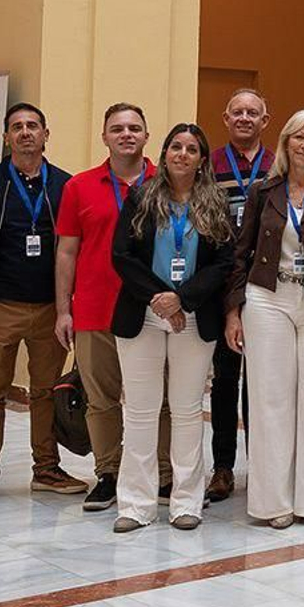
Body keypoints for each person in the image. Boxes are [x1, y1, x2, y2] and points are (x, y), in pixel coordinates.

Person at [224, 110, 304, 528]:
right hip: (267, 299)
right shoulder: (265, 189)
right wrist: (233, 310)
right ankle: (271, 504)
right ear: (284, 142)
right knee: (270, 401)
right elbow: (239, 253)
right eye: (298, 137)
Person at [0, 103, 86, 507]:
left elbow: (76, 248)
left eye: (33, 126)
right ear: (6, 137)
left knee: (45, 392)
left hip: (50, 308)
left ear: (47, 133)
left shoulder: (65, 186)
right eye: (17, 127)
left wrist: (73, 304)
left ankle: (46, 469)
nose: (26, 132)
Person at [108, 123, 235, 532]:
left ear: (202, 160)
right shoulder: (142, 197)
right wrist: (160, 298)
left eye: (192, 149)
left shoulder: (215, 203)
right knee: (141, 413)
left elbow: (223, 263)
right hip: (142, 314)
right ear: (163, 154)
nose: (182, 154)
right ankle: (135, 505)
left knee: (185, 412)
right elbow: (122, 255)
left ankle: (185, 502)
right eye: (175, 147)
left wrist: (183, 298)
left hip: (194, 317)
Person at [54, 103, 164, 512]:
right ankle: (109, 473)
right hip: (96, 309)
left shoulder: (166, 183)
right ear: (104, 137)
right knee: (101, 399)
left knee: (159, 398)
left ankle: (164, 473)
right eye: (117, 128)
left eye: (135, 127)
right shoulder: (79, 187)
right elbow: (66, 252)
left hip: (154, 310)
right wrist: (64, 310)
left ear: (147, 136)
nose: (126, 135)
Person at [207, 87, 274, 503]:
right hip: (220, 283)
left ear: (265, 121)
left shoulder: (277, 164)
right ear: (226, 119)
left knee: (263, 383)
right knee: (225, 382)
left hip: (267, 283)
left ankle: (262, 467)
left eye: (253, 113)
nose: (245, 118)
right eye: (238, 112)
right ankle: (222, 467)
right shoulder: (208, 164)